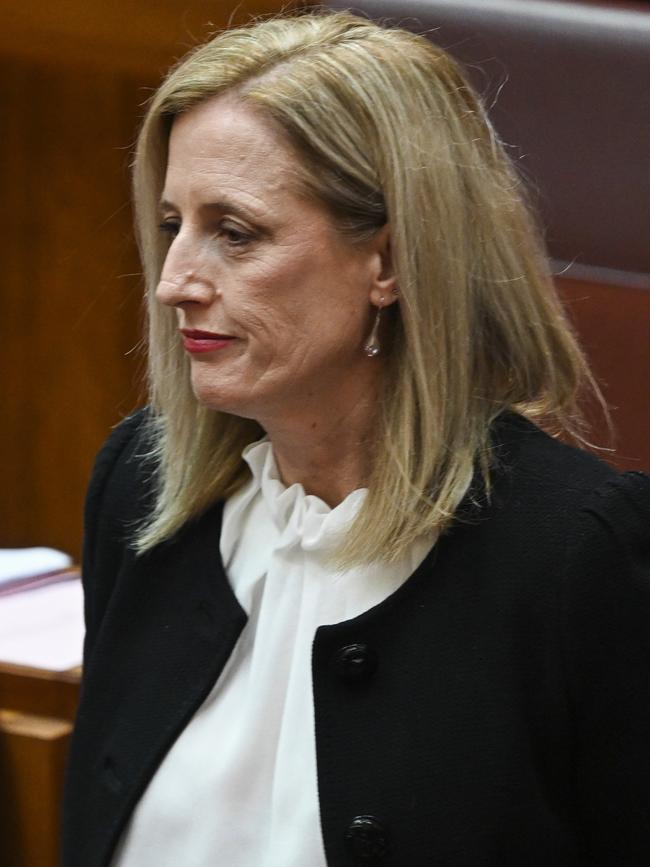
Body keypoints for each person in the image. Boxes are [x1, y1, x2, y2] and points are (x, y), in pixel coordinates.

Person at [61, 9, 650, 867]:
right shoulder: (142, 486)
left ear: (391, 261)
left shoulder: (575, 557)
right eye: (171, 226)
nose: (175, 283)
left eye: (236, 232)